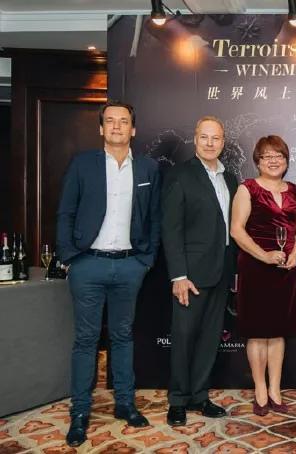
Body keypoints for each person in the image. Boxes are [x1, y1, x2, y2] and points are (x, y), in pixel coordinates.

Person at [56, 101, 161, 447]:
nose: (117, 126)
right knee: (86, 340)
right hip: (88, 264)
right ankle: (80, 412)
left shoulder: (148, 168)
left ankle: (125, 404)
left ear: (133, 129)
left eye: (124, 121)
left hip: (130, 266)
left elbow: (154, 217)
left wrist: (145, 260)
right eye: (110, 121)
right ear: (101, 128)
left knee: (123, 336)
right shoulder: (83, 164)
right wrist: (71, 258)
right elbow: (65, 212)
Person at [161, 116, 238, 426]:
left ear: (223, 142)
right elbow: (171, 228)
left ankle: (199, 395)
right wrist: (178, 275)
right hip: (190, 275)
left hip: (222, 271)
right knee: (183, 337)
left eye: (216, 138)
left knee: (209, 338)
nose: (210, 143)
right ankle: (178, 400)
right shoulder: (180, 175)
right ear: (195, 139)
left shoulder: (230, 179)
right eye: (204, 137)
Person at [230, 135, 296, 416]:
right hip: (255, 268)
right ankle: (260, 390)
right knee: (257, 334)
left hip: (284, 270)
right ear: (258, 161)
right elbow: (236, 230)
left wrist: (294, 255)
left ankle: (275, 389)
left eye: (279, 156)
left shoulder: (295, 191)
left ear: (286, 160)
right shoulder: (247, 189)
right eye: (267, 156)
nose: (273, 161)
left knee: (277, 333)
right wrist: (263, 256)